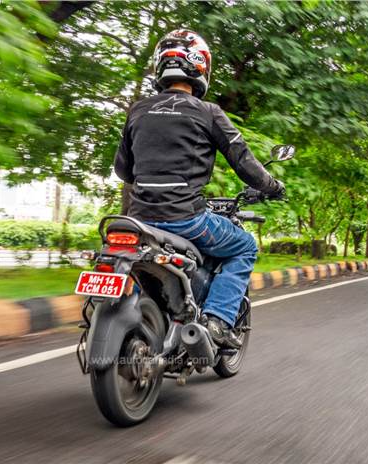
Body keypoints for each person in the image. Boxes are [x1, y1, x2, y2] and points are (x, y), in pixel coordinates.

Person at [114, 29, 285, 348]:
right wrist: (273, 186)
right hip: (186, 219)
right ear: (200, 68)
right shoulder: (209, 113)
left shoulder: (137, 110)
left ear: (160, 67)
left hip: (138, 220)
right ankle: (218, 320)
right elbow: (244, 162)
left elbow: (122, 169)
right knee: (245, 245)